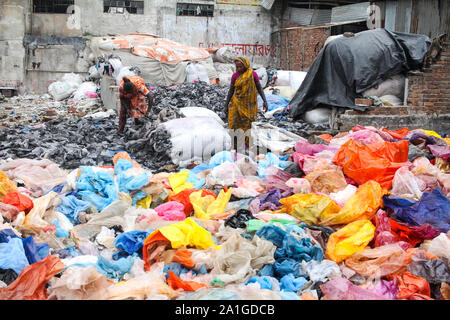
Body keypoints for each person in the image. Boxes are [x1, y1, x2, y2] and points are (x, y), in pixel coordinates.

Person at [224, 57, 268, 151]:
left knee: (248, 125)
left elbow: (259, 88)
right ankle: (234, 146)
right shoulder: (235, 76)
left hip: (249, 106)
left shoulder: (252, 74)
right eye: (237, 67)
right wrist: (226, 104)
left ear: (245, 66)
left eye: (240, 67)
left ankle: (248, 146)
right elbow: (231, 91)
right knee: (234, 124)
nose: (238, 69)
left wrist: (264, 101)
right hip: (236, 104)